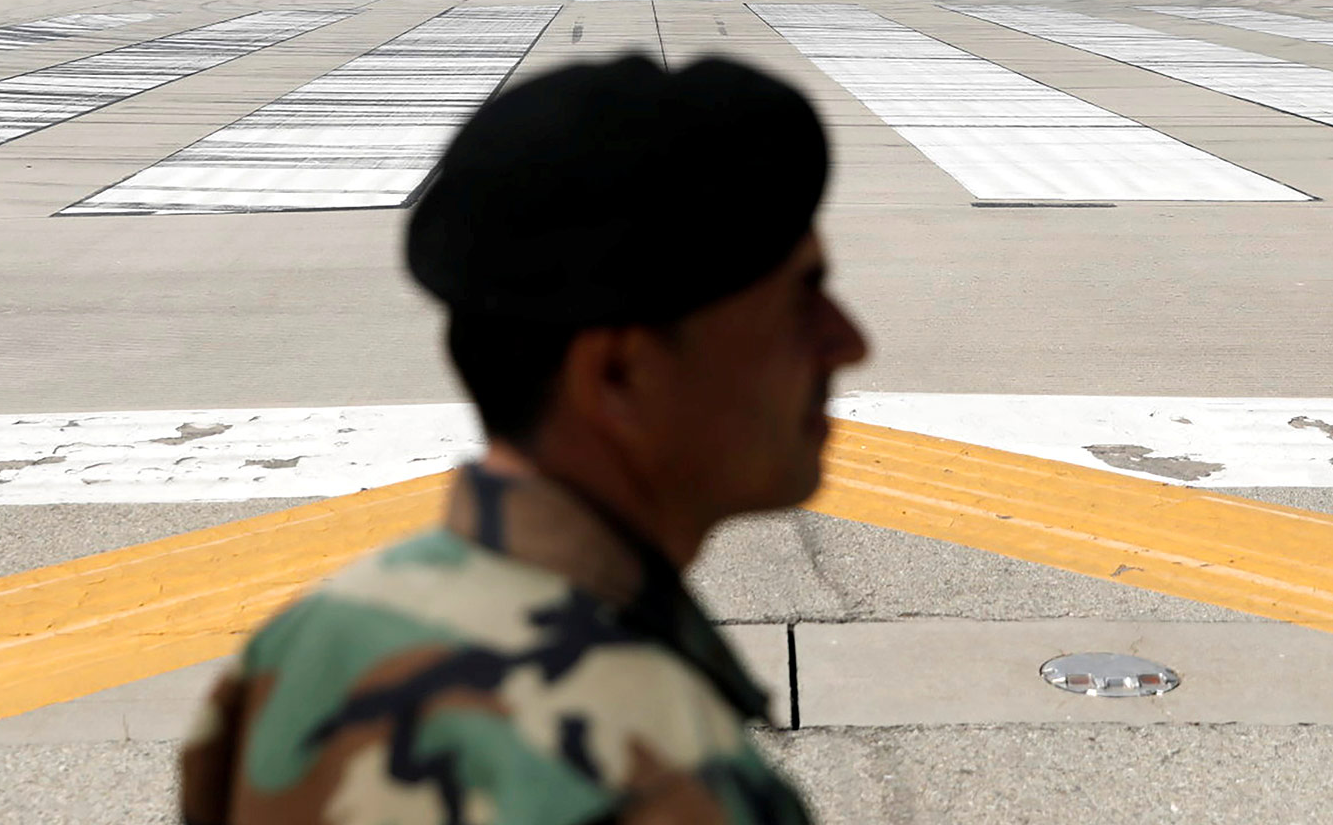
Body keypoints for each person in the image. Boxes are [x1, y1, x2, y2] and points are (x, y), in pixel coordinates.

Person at [181, 56, 868, 824]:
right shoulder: (669, 781)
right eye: (800, 302)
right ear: (617, 375)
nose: (849, 343)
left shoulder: (302, 649)